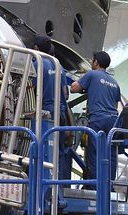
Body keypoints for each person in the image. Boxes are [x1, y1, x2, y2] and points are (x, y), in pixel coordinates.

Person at [70, 51, 121, 180]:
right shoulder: (114, 82)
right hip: (114, 121)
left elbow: (73, 88)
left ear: (96, 62)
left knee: (95, 152)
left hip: (98, 119)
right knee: (110, 153)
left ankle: (94, 185)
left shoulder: (92, 74)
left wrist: (83, 87)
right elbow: (115, 104)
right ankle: (109, 185)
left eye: (92, 60)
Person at [32, 35, 76, 180]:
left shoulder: (37, 64)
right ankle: (60, 186)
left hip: (45, 113)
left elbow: (30, 89)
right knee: (60, 152)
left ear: (36, 48)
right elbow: (65, 92)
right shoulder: (58, 66)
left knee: (42, 150)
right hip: (60, 112)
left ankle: (43, 185)